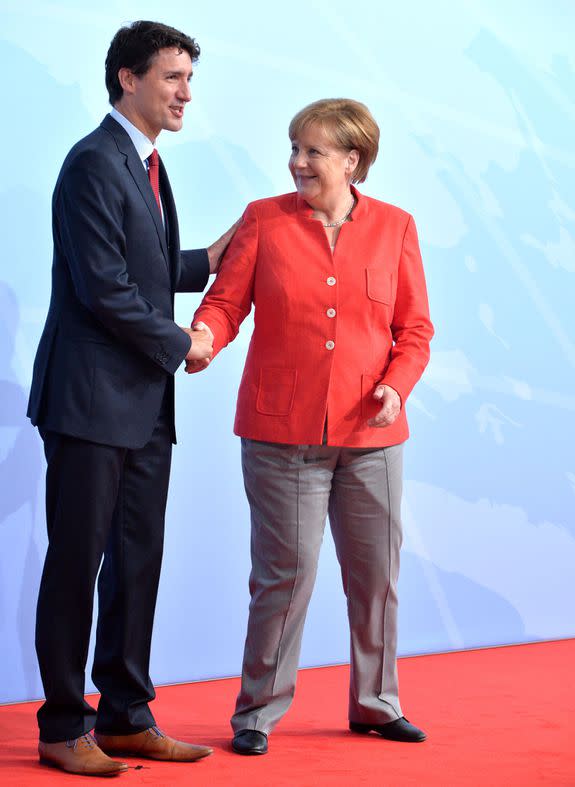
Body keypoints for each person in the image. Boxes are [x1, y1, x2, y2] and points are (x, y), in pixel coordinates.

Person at [188, 98, 434, 755]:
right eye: (293, 148)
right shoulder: (262, 220)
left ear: (352, 160)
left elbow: (413, 331)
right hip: (278, 433)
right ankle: (257, 711)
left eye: (312, 150)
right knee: (283, 574)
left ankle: (376, 703)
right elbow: (225, 301)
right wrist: (204, 338)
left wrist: (393, 386)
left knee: (375, 574)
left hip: (372, 437)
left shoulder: (396, 227)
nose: (296, 161)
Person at [27, 20, 236, 777]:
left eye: (189, 80)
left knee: (136, 563)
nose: (186, 94)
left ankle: (125, 715)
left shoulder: (143, 163)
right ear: (127, 78)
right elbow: (104, 288)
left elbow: (140, 265)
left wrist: (211, 258)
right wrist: (185, 345)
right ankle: (60, 724)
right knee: (77, 564)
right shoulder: (92, 162)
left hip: (142, 405)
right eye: (173, 77)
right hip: (88, 403)